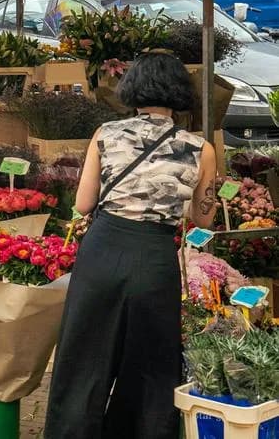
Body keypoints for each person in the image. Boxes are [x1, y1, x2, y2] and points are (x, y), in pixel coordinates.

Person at [42, 52, 217, 439]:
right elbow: (203, 219)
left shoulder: (106, 134)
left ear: (133, 88)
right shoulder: (200, 148)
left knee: (84, 360)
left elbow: (84, 204)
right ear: (178, 92)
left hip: (103, 250)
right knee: (150, 368)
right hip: (154, 259)